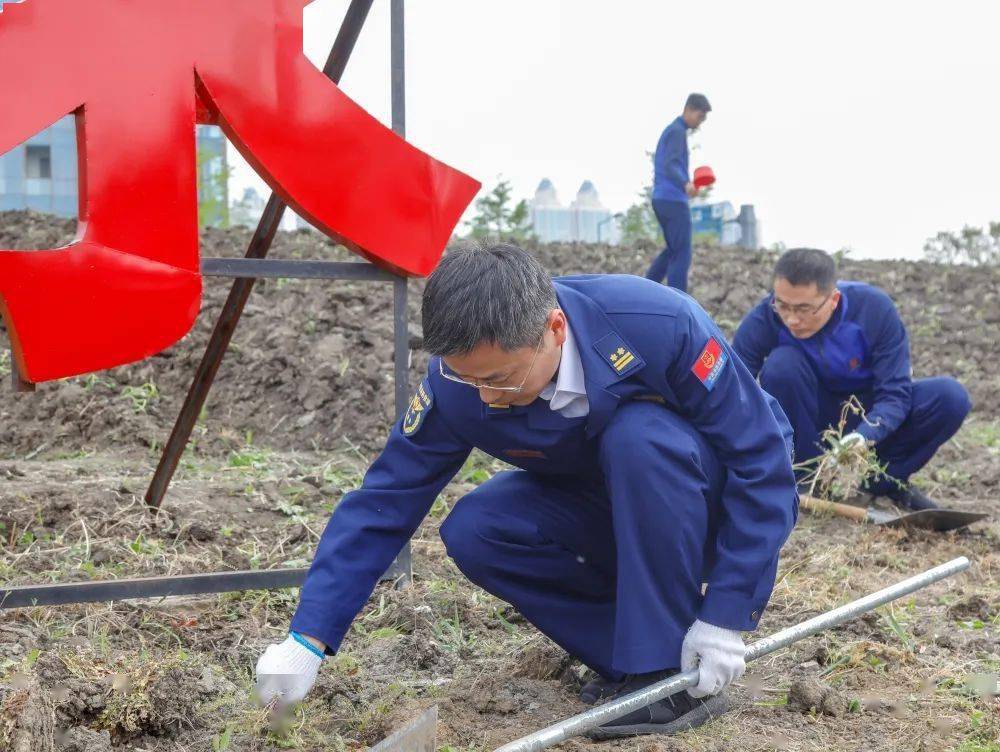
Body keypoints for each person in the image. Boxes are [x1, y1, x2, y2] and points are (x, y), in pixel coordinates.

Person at [256, 243, 797, 738]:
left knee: (640, 437)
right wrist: (308, 638)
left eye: (503, 379)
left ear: (555, 328)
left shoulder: (657, 325)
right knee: (476, 529)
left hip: (704, 507)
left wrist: (726, 612)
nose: (488, 399)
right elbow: (385, 500)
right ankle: (644, 660)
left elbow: (762, 461)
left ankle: (666, 673)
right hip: (608, 506)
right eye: (471, 380)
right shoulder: (458, 385)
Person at [733, 248, 972, 510]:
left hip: (866, 414)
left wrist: (864, 436)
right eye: (782, 305)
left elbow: (895, 395)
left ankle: (884, 483)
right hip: (808, 417)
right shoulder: (765, 318)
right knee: (781, 365)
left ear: (833, 299)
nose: (791, 318)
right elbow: (732, 388)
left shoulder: (873, 310)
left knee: (950, 398)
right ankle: (807, 479)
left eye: (804, 309)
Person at [645, 93, 711, 293]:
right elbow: (671, 163)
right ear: (689, 109)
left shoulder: (672, 130)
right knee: (682, 252)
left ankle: (647, 287)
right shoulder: (676, 132)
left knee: (674, 249)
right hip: (672, 199)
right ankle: (679, 299)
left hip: (661, 198)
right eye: (700, 117)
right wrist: (685, 184)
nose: (700, 123)